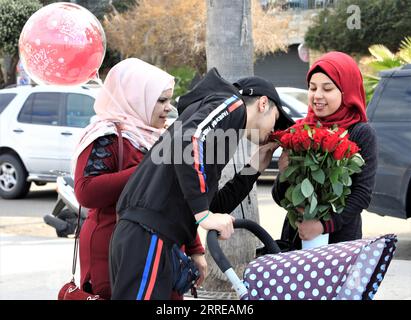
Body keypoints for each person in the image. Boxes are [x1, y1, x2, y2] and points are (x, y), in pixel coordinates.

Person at [109, 68, 294, 300]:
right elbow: (189, 138)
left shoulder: (219, 128)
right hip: (149, 233)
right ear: (263, 104)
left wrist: (253, 169)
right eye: (276, 120)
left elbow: (212, 202)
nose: (272, 131)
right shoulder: (233, 105)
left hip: (150, 234)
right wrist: (203, 215)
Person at [72, 58, 206, 299]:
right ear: (136, 99)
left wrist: (196, 249)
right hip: (117, 251)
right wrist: (149, 169)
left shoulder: (160, 138)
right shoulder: (107, 136)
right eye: (161, 100)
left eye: (169, 100)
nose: (168, 108)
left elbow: (177, 198)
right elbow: (86, 191)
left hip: (163, 251)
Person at [272, 51, 378, 250]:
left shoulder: (361, 132)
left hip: (340, 244)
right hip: (296, 240)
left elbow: (361, 195)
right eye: (312, 88)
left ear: (346, 91)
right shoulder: (302, 130)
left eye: (327, 89)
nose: (317, 95)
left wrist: (322, 226)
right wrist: (284, 173)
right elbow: (279, 197)